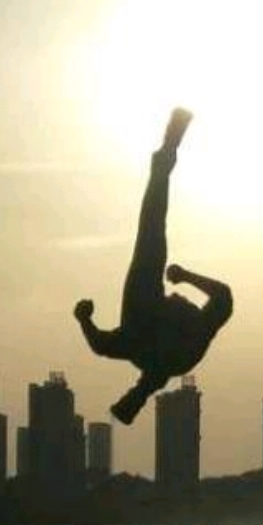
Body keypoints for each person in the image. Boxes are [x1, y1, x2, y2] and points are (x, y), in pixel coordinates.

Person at [74, 108, 233, 425]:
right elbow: (224, 296)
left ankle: (138, 395)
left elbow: (100, 345)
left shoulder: (174, 334)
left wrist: (84, 319)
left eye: (179, 298)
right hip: (157, 344)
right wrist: (184, 277)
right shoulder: (195, 333)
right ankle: (138, 395)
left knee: (151, 230)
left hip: (149, 331)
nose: (178, 296)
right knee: (151, 229)